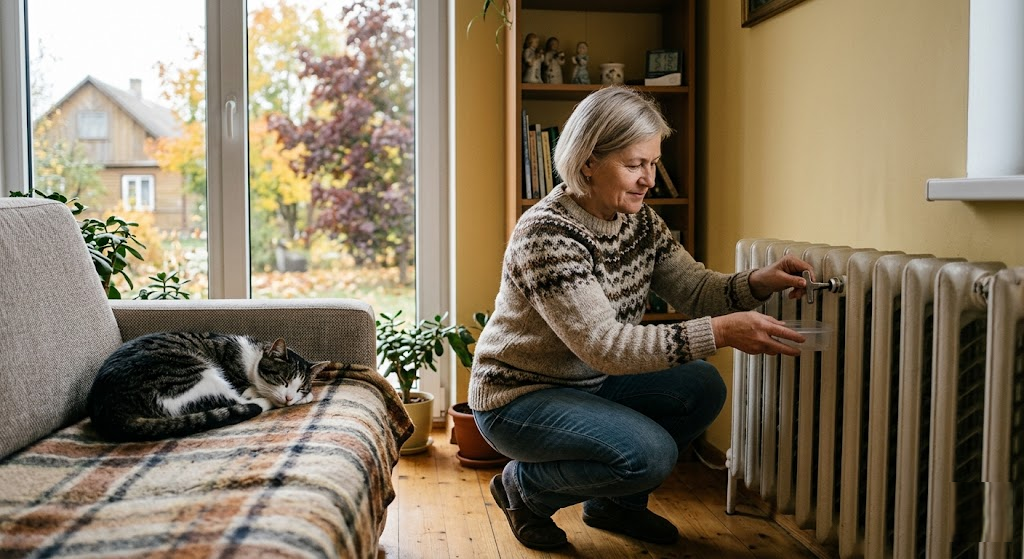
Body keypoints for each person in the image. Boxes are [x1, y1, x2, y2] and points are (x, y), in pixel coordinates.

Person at [469, 86, 814, 550]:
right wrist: (720, 332)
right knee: (649, 455)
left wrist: (760, 281)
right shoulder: (547, 234)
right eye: (634, 165)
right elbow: (605, 346)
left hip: (588, 381)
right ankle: (523, 489)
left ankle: (616, 506)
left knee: (701, 386)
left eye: (653, 163)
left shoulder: (641, 222)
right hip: (519, 397)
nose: (649, 179)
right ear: (588, 161)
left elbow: (695, 289)